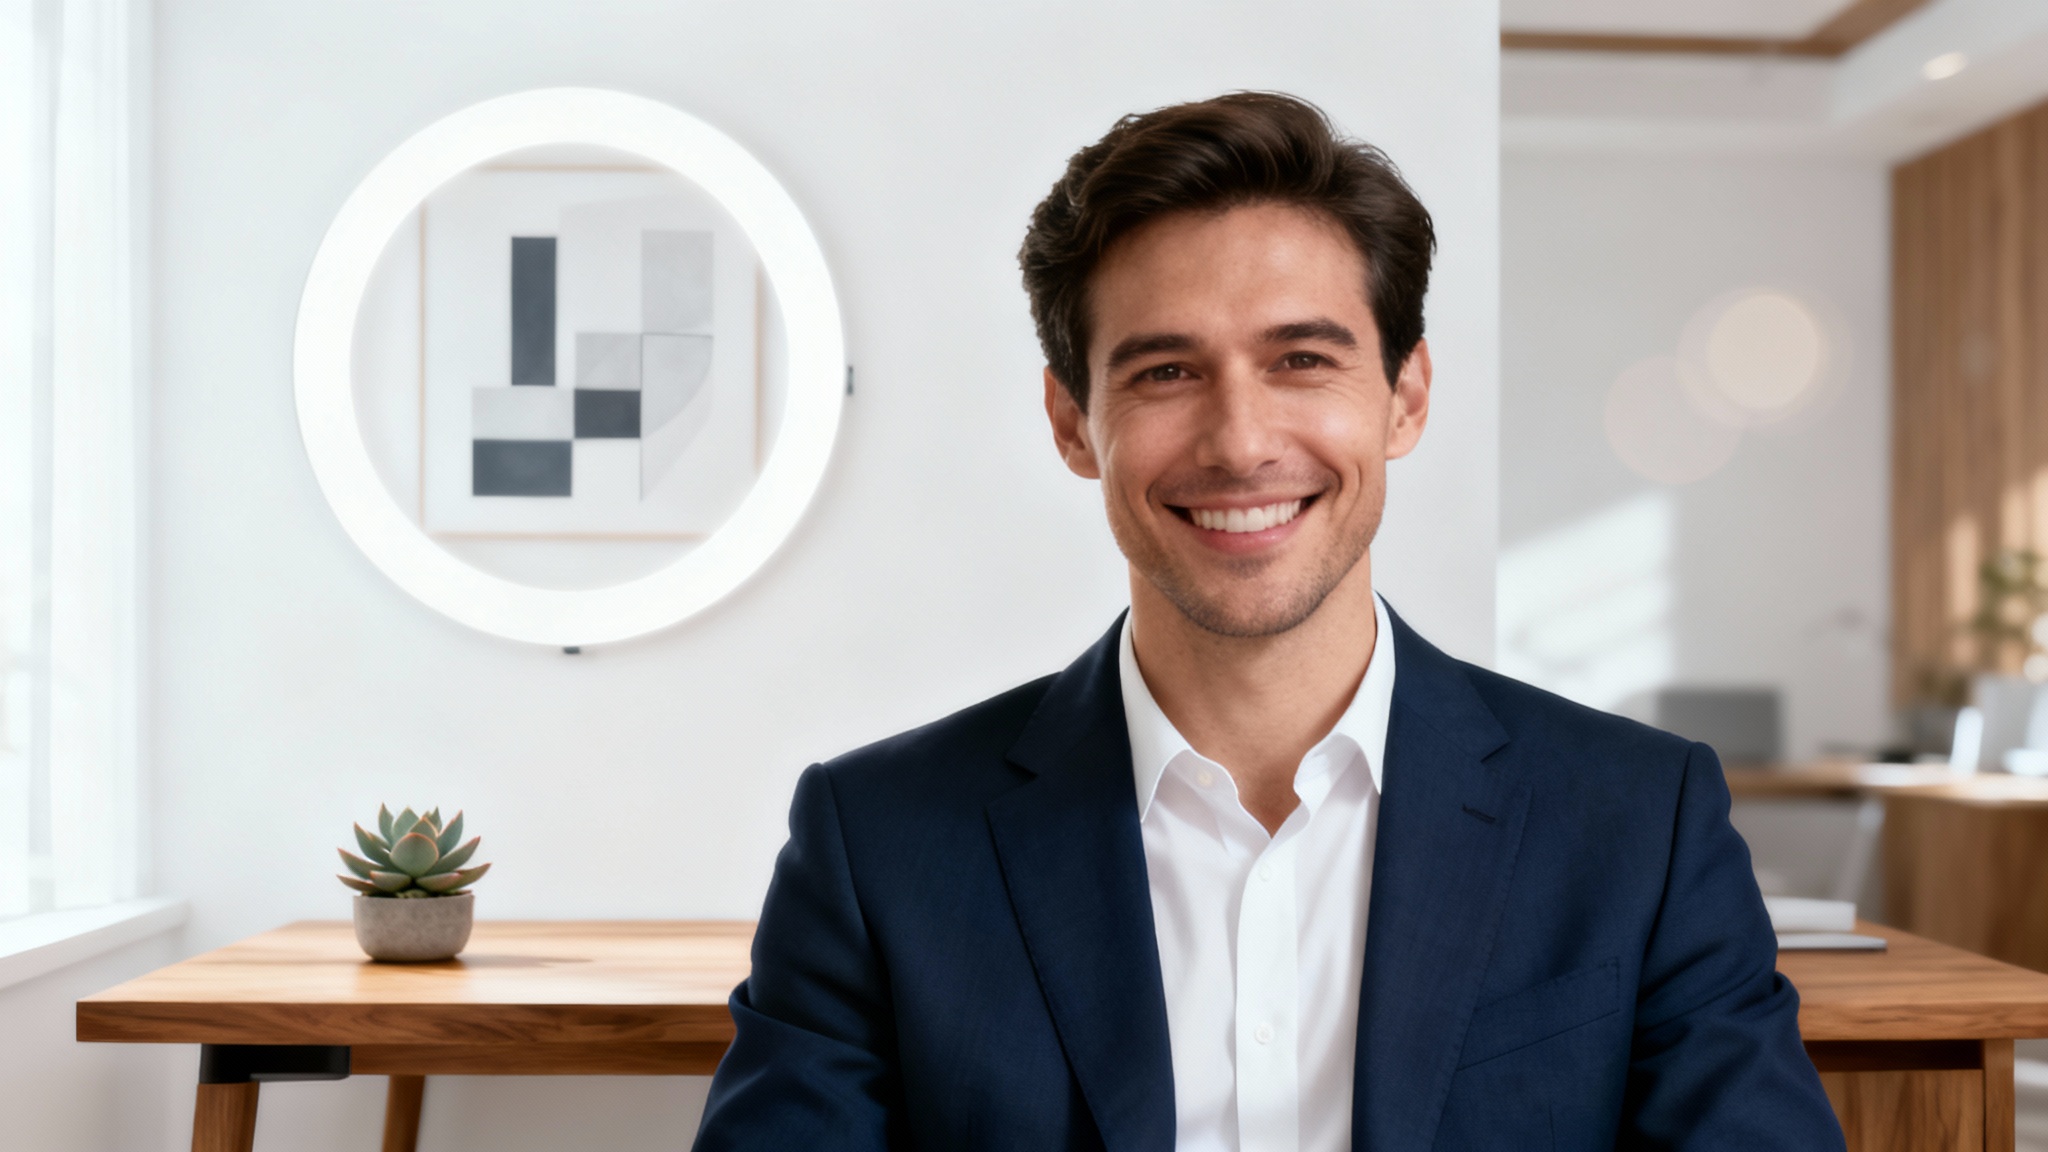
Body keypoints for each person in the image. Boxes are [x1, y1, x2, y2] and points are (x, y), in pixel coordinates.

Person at [693, 92, 1844, 1151]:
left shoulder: (1637, 823)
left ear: (1404, 396)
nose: (1239, 442)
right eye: (1162, 373)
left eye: (1300, 359)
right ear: (1071, 422)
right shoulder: (878, 842)